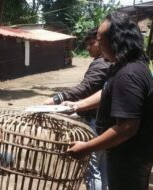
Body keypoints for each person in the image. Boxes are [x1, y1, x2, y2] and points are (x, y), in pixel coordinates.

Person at [63, 12, 153, 190]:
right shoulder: (130, 66)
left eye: (102, 42)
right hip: (129, 154)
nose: (99, 47)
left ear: (117, 42)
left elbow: (127, 127)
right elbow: (108, 93)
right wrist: (78, 104)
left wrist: (87, 147)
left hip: (129, 157)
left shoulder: (128, 74)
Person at [44, 28, 110, 190]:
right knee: (103, 166)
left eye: (92, 43)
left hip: (97, 121)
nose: (88, 48)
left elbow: (85, 88)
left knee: (92, 168)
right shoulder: (111, 63)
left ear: (103, 43)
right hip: (106, 121)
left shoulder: (101, 63)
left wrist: (57, 98)